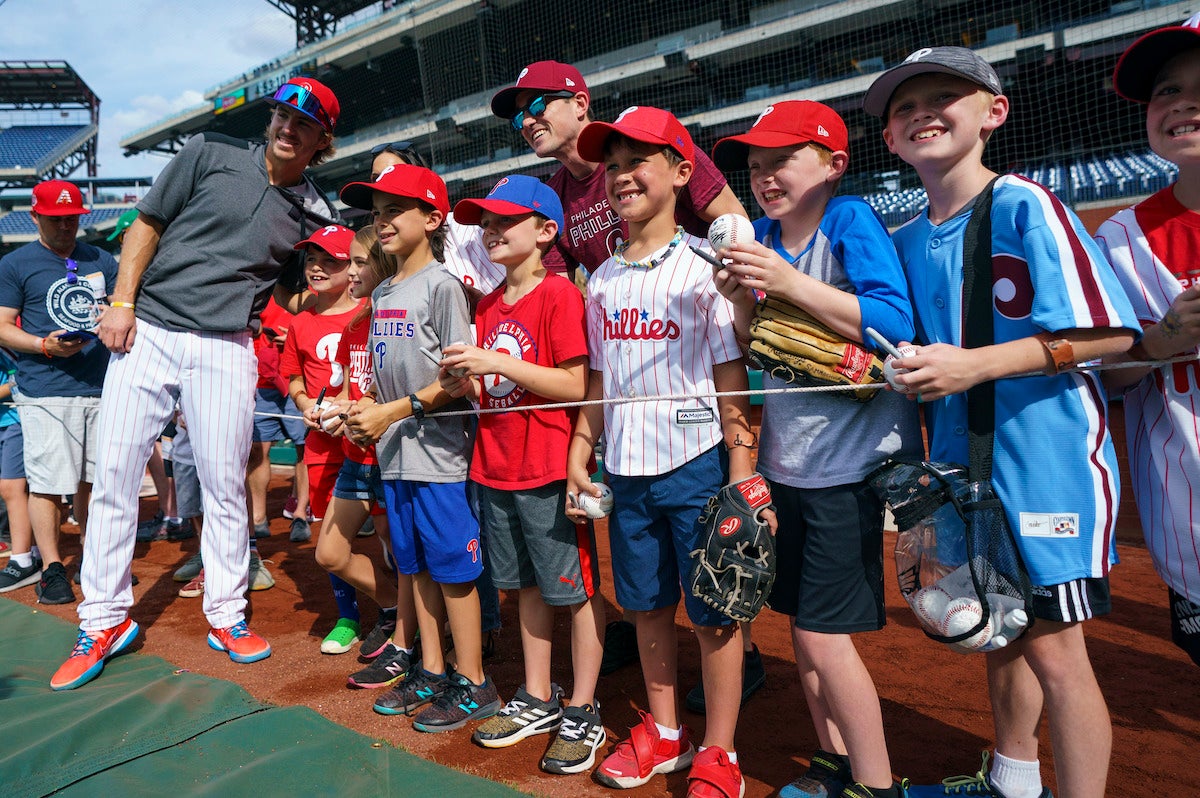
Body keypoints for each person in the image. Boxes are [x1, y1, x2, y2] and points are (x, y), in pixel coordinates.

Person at [864, 48, 1140, 797]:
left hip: (1046, 463)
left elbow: (1112, 336)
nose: (922, 111)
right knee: (996, 626)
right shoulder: (905, 241)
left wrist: (973, 365)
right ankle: (1013, 782)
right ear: (888, 139)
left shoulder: (1023, 204)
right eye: (903, 106)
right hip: (962, 466)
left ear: (993, 111)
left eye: (944, 95)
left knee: (1057, 652)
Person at [50, 77, 342, 691]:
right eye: (282, 116)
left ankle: (227, 615)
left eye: (304, 125)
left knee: (225, 484)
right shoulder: (208, 151)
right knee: (115, 479)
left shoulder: (316, 210)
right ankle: (102, 620)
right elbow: (146, 225)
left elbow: (306, 282)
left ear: (323, 140)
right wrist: (122, 300)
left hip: (227, 346)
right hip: (149, 328)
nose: (287, 129)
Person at [491, 60, 763, 686]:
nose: (527, 121)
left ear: (579, 102)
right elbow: (556, 284)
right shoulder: (555, 193)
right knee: (644, 553)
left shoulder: (652, 145)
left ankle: (739, 652)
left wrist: (733, 291)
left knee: (709, 541)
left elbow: (729, 221)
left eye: (538, 106)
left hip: (700, 342)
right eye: (518, 115)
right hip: (632, 363)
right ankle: (647, 639)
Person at [711, 101, 921, 798]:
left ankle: (875, 784)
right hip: (788, 463)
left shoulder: (849, 221)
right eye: (756, 163)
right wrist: (740, 298)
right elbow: (749, 343)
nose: (764, 174)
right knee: (802, 630)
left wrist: (787, 281)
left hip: (849, 468)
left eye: (782, 159)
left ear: (834, 164)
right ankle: (832, 764)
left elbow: (893, 322)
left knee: (829, 638)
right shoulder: (761, 235)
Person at [563, 106, 763, 796]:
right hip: (627, 468)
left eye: (637, 162)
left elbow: (730, 379)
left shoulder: (707, 267)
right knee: (646, 606)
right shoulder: (603, 282)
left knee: (714, 613)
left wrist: (742, 474)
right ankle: (668, 732)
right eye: (612, 167)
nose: (621, 176)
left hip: (698, 463)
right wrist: (581, 447)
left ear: (683, 173)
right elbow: (598, 380)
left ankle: (720, 750)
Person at [442, 175, 606, 773]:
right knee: (527, 590)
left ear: (545, 232)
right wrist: (470, 380)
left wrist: (496, 361)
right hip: (496, 466)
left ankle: (584, 706)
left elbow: (573, 384)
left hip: (545, 466)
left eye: (503, 222)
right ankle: (538, 694)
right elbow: (495, 387)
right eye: (485, 223)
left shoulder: (560, 295)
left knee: (576, 590)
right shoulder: (486, 303)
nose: (490, 232)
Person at [340, 163, 500, 732]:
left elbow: (459, 379)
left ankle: (475, 680)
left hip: (438, 456)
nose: (380, 222)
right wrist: (360, 408)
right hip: (396, 454)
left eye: (393, 211)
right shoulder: (382, 290)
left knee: (454, 571)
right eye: (376, 213)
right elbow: (384, 377)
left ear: (432, 219)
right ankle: (431, 668)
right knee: (417, 568)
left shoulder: (442, 286)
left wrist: (395, 410)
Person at [1096, 12, 1200, 669]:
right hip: (1188, 522)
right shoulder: (1122, 239)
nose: (1184, 101)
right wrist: (1159, 342)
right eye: (1167, 89)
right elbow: (1102, 376)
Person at [0, 179, 118, 605]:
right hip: (45, 389)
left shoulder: (101, 258)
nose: (66, 225)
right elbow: (2, 326)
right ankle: (51, 567)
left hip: (100, 385)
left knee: (95, 481)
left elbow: (123, 310)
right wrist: (43, 345)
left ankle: (92, 558)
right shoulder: (16, 264)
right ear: (36, 217)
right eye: (56, 219)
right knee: (49, 483)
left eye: (72, 218)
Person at [318, 226, 416, 684]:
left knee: (401, 551)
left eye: (359, 262)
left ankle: (408, 636)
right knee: (330, 553)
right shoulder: (354, 325)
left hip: (396, 455)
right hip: (358, 457)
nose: (350, 271)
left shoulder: (402, 318)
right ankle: (397, 610)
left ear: (384, 264)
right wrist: (330, 410)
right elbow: (341, 390)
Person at [278, 223, 366, 653]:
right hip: (322, 446)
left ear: (351, 265)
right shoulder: (301, 321)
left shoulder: (370, 310)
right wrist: (304, 406)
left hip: (367, 443)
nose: (315, 267)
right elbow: (293, 377)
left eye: (328, 259)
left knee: (380, 531)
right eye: (311, 259)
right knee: (329, 536)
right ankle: (348, 615)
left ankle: (393, 612)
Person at [249, 297, 311, 539]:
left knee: (304, 449)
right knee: (256, 449)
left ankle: (300, 514)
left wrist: (295, 339)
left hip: (297, 377)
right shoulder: (258, 278)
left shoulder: (305, 281)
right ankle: (258, 516)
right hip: (260, 377)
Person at [0, 346, 34, 592]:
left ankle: (22, 559)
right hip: (6, 420)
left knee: (12, 487)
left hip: (16, 417)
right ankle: (33, 552)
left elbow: (19, 375)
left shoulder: (6, 341)